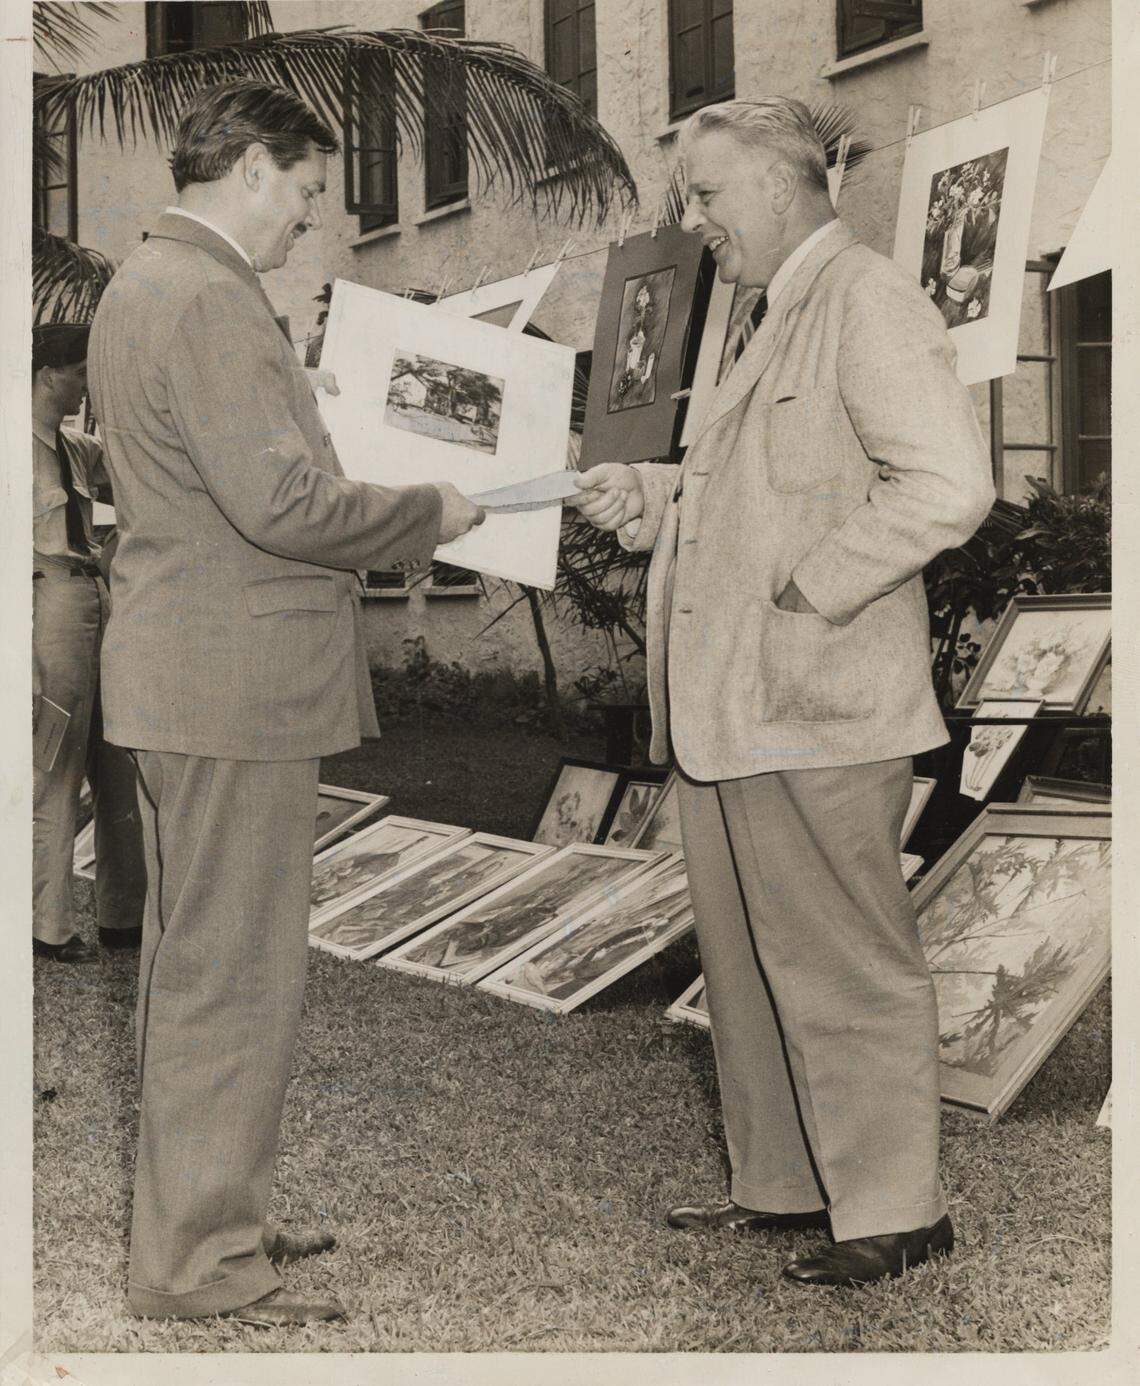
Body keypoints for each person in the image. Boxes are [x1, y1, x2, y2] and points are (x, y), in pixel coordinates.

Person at [571, 97, 995, 1289]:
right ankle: (787, 1189)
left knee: (843, 958)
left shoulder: (864, 297)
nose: (693, 222)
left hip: (815, 700)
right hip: (731, 710)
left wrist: (812, 589)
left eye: (705, 197)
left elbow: (950, 485)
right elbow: (765, 482)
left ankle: (895, 1209)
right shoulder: (761, 315)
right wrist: (651, 496)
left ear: (775, 183)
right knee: (754, 963)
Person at [87, 79, 483, 1327]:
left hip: (190, 673)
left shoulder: (148, 282)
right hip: (228, 686)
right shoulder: (207, 296)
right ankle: (202, 1261)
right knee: (231, 976)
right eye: (307, 193)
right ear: (251, 168)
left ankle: (216, 1220)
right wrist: (431, 512)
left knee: (199, 962)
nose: (309, 220)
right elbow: (285, 510)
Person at [31, 323, 146, 963]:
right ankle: (46, 926)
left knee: (118, 760)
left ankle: (123, 919)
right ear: (49, 373)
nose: (85, 386)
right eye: (79, 372)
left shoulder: (77, 448)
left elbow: (142, 474)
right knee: (54, 764)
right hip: (44, 603)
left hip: (95, 600)